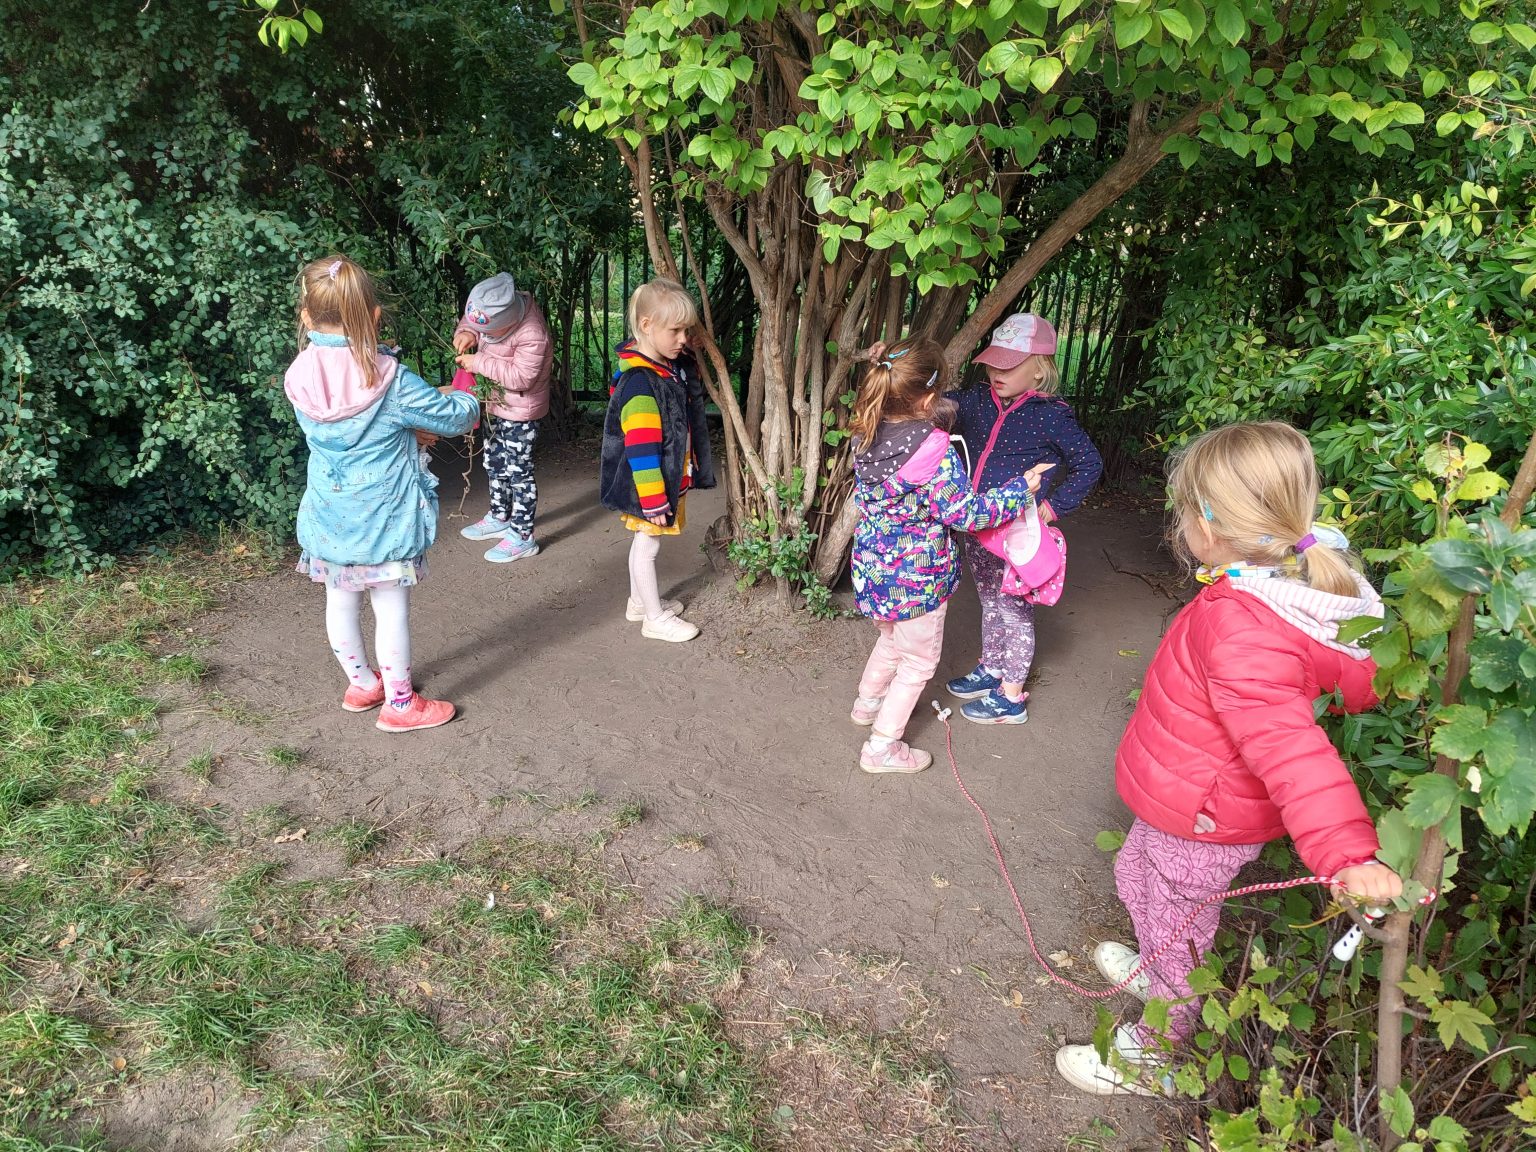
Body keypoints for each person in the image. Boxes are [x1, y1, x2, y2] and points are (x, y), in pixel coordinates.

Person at [1055, 421, 1403, 1095]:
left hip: (1204, 816)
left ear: (1209, 527)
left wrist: (1347, 854)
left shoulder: (1245, 626)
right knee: (1137, 876)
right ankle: (1158, 970)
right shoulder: (1266, 581)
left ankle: (1156, 1048)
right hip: (1185, 794)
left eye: (1184, 510)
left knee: (1179, 930)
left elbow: (1292, 750)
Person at [286, 255, 480, 732]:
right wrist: (466, 394)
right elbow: (456, 418)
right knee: (390, 608)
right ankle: (401, 705)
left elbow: (347, 432)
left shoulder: (299, 374)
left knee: (339, 601)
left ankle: (362, 684)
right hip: (384, 519)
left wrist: (404, 431)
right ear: (374, 316)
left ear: (306, 317)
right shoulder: (390, 379)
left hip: (330, 514)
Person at [848, 336, 1050, 773]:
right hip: (916, 580)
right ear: (928, 396)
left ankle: (868, 702)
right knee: (918, 662)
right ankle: (881, 747)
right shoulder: (933, 450)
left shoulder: (866, 431)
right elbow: (965, 514)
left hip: (872, 570)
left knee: (890, 640)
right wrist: (1020, 490)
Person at [946, 313, 1103, 724]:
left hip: (1018, 534)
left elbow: (1089, 464)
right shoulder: (977, 400)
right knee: (990, 602)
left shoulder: (1051, 415)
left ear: (1039, 368)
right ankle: (992, 668)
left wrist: (1053, 508)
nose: (997, 373)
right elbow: (933, 405)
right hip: (979, 526)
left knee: (1014, 610)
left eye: (1009, 365)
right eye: (993, 363)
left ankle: (1011, 697)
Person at [598, 278, 715, 642]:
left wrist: (691, 348)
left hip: (659, 482)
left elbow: (686, 378)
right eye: (675, 331)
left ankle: (639, 603)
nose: (683, 339)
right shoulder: (640, 383)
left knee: (645, 542)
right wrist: (653, 499)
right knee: (647, 547)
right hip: (650, 486)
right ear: (647, 325)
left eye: (686, 331)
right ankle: (654, 618)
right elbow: (641, 445)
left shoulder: (662, 365)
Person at [453, 272, 554, 563]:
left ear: (508, 322)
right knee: (494, 462)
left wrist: (478, 362)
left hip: (520, 412)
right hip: (495, 404)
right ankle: (500, 515)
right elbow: (472, 320)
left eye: (487, 331)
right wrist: (467, 332)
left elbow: (521, 377)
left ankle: (523, 535)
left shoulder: (532, 333)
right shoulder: (491, 308)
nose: (483, 334)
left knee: (518, 472)